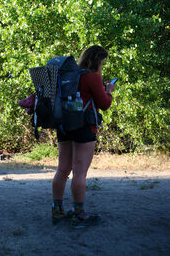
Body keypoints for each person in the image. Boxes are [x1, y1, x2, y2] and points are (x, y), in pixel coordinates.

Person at [51, 45, 115, 227]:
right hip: (84, 127)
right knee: (80, 173)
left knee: (62, 170)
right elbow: (104, 104)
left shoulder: (69, 75)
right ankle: (79, 214)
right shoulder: (93, 76)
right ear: (97, 61)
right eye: (102, 62)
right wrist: (108, 91)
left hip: (64, 126)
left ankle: (57, 211)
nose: (102, 65)